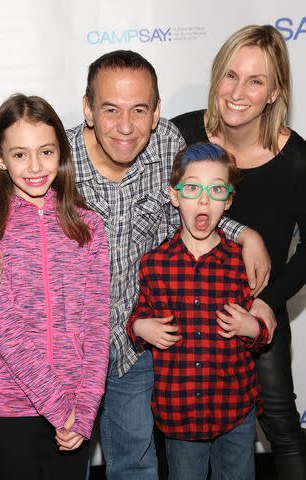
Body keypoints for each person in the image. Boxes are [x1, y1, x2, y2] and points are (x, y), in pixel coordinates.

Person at [0, 51, 273, 479]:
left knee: (136, 463)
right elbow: (7, 251)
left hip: (134, 344)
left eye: (139, 110)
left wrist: (245, 235)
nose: (126, 126)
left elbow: (199, 201)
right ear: (88, 109)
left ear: (156, 112)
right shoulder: (54, 160)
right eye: (110, 109)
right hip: (64, 360)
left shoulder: (167, 144)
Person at [171, 25, 306, 479]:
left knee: (281, 426)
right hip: (184, 308)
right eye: (230, 75)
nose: (237, 92)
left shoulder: (296, 159)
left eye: (255, 81)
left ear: (274, 93)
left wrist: (267, 304)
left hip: (255, 306)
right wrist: (245, 232)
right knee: (174, 432)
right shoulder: (183, 134)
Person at [0, 93, 110, 480]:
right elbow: (6, 329)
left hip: (76, 413)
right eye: (20, 155)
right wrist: (58, 407)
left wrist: (82, 409)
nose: (35, 167)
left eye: (46, 152)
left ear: (61, 153)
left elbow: (97, 327)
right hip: (10, 410)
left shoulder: (90, 228)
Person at [127, 142, 269, 480]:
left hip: (234, 407)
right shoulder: (154, 265)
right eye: (192, 188)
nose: (203, 200)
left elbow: (260, 331)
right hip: (180, 413)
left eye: (216, 190)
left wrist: (254, 329)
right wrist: (141, 328)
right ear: (174, 196)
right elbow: (136, 318)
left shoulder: (241, 263)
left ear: (229, 200)